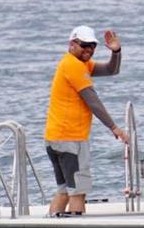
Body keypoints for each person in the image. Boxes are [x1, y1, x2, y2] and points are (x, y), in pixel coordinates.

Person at [44, 26, 129, 216]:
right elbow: (92, 100)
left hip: (55, 138)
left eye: (92, 46)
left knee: (64, 191)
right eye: (84, 46)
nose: (88, 50)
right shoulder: (73, 65)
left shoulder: (79, 63)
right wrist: (114, 128)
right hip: (70, 140)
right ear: (72, 44)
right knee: (78, 193)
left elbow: (111, 70)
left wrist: (116, 52)